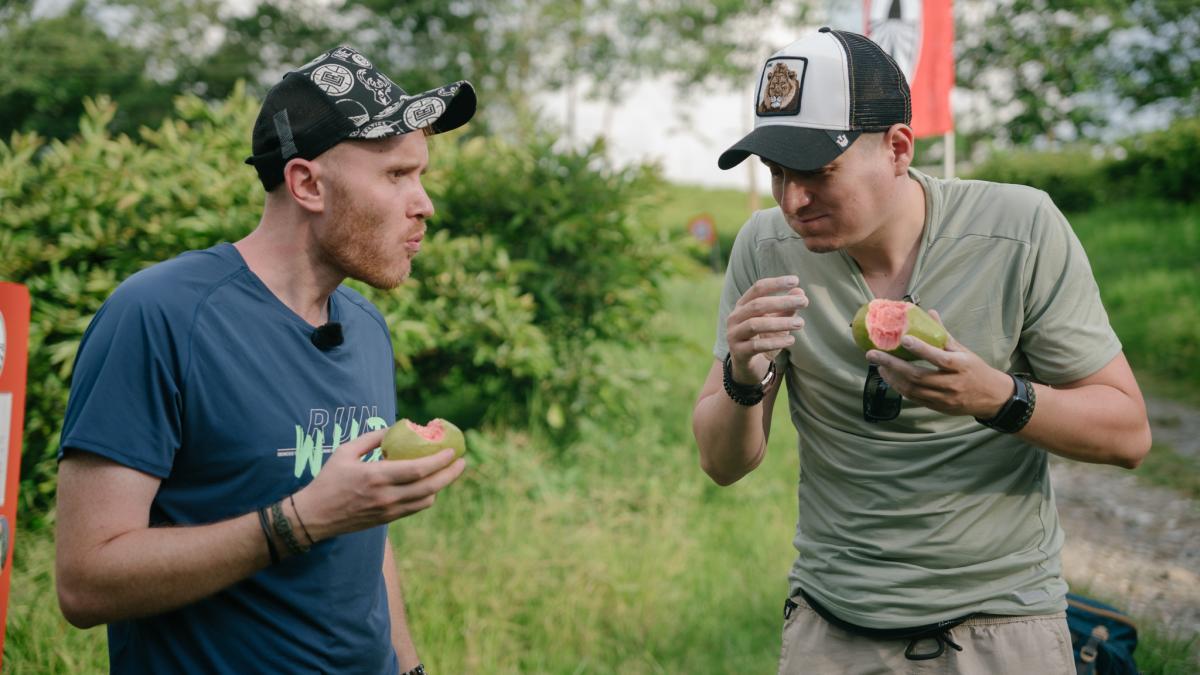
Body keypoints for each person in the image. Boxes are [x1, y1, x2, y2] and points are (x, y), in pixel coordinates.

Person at [692, 27, 1151, 674]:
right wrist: (743, 378)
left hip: (1002, 627)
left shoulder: (1018, 230)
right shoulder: (765, 249)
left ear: (899, 148)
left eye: (818, 172)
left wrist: (997, 397)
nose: (793, 200)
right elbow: (722, 464)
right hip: (831, 628)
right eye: (777, 173)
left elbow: (1129, 435)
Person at [55, 45, 477, 674]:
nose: (424, 204)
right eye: (396, 175)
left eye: (421, 176)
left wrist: (409, 668)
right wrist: (300, 521)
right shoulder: (159, 315)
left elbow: (365, 536)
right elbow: (85, 583)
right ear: (307, 184)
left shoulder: (365, 327)